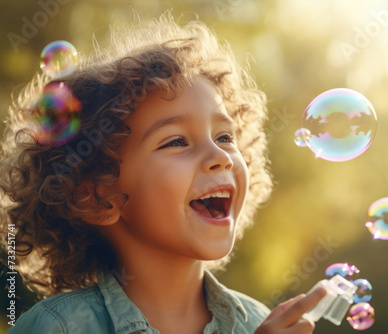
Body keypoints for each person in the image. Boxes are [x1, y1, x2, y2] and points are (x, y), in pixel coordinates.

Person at [0, 14, 326, 333]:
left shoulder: (256, 322)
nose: (220, 157)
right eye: (176, 141)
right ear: (100, 195)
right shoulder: (58, 327)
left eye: (225, 137)